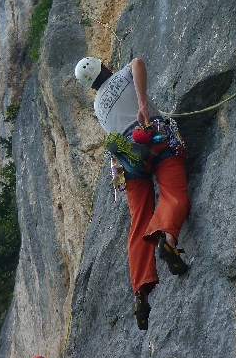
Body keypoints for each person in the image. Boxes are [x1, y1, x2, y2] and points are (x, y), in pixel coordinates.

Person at [74, 56, 191, 330]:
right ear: (103, 67)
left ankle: (140, 291)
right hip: (152, 138)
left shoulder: (97, 106)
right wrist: (142, 104)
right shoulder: (122, 76)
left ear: (90, 85)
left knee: (139, 220)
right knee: (174, 194)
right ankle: (168, 242)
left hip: (126, 162)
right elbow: (138, 62)